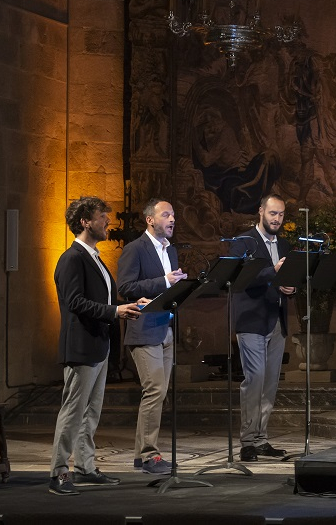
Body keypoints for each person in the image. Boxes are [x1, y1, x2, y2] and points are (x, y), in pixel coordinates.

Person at [49, 196, 147, 495]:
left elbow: (100, 301)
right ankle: (59, 473)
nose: (108, 221)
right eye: (102, 216)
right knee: (73, 411)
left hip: (99, 344)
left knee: (91, 412)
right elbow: (75, 302)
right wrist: (116, 311)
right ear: (85, 221)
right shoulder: (72, 258)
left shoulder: (94, 257)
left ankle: (85, 467)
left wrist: (125, 305)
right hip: (81, 346)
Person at [116, 198, 187, 475]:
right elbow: (125, 286)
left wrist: (180, 286)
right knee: (154, 390)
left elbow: (168, 287)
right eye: (166, 215)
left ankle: (141, 455)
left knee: (159, 392)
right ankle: (149, 455)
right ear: (150, 220)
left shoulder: (171, 251)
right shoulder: (136, 249)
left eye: (173, 216)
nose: (172, 220)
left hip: (165, 328)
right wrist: (165, 281)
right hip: (144, 330)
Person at [229, 193, 295, 462]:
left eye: (280, 214)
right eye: (272, 214)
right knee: (254, 379)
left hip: (277, 319)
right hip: (252, 320)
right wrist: (273, 273)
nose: (277, 219)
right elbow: (239, 277)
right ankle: (247, 440)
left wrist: (290, 287)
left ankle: (261, 438)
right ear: (260, 211)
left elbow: (287, 280)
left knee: (269, 383)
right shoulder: (243, 242)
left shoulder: (286, 244)